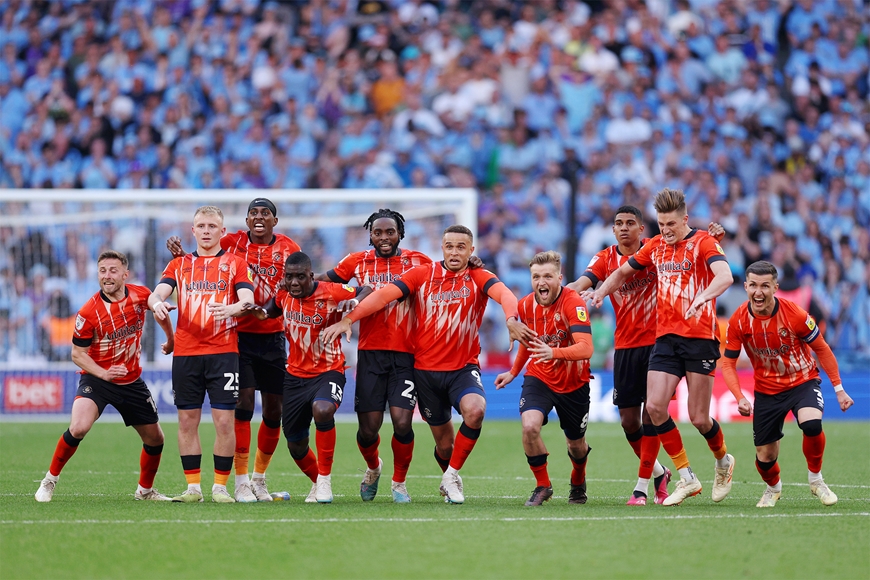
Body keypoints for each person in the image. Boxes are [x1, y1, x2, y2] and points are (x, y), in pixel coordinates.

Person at [321, 225, 536, 504]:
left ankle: (449, 477)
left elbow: (505, 294)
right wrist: (350, 319)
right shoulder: (422, 274)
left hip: (463, 368)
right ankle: (435, 471)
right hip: (424, 372)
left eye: (461, 247)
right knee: (444, 446)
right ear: (442, 248)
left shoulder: (478, 275)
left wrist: (511, 319)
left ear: (471, 251)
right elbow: (382, 296)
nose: (455, 252)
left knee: (475, 411)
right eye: (450, 246)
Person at [583, 189, 735, 506]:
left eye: (671, 224)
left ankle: (723, 460)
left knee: (699, 418)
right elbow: (622, 272)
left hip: (700, 338)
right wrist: (600, 292)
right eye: (661, 224)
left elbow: (725, 276)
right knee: (653, 408)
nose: (665, 230)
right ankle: (687, 476)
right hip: (664, 339)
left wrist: (704, 296)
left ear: (685, 220)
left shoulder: (704, 242)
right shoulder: (655, 246)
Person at [167, 197, 300, 502]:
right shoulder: (232, 242)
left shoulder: (289, 247)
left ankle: (259, 478)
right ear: (246, 220)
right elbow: (203, 261)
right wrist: (179, 256)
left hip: (274, 336)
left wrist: (283, 305)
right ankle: (240, 481)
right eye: (253, 213)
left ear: (274, 221)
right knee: (242, 406)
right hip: (238, 337)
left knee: (274, 411)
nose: (258, 217)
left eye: (265, 213)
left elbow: (299, 281)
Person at [35, 250, 175, 502]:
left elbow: (156, 304)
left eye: (112, 271)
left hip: (130, 381)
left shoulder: (139, 294)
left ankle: (144, 491)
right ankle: (49, 480)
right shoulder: (88, 312)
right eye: (102, 271)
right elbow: (77, 354)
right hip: (97, 379)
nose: (107, 276)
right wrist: (103, 373)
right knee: (78, 427)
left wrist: (170, 337)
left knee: (156, 439)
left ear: (125, 274)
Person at [315, 209, 432, 503]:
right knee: (368, 431)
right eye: (377, 232)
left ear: (400, 234)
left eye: (390, 232)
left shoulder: (419, 261)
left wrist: (473, 263)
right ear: (370, 235)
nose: (384, 238)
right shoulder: (357, 261)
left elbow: (448, 275)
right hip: (370, 355)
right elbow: (324, 281)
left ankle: (399, 483)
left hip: (406, 356)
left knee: (402, 422)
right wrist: (297, 278)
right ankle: (373, 467)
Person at [721, 261, 854, 508]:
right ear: (745, 286)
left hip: (802, 381)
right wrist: (739, 396)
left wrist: (839, 388)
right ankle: (773, 488)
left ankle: (816, 480)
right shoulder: (738, 320)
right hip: (767, 391)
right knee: (765, 457)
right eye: (753, 285)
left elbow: (822, 349)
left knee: (811, 424)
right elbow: (727, 363)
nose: (758, 292)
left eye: (765, 286)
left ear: (775, 287)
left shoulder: (795, 314)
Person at [148, 206, 256, 504]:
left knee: (224, 422)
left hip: (223, 352)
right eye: (201, 226)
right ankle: (193, 488)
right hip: (186, 353)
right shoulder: (179, 265)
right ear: (192, 231)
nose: (206, 231)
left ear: (223, 231)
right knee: (187, 421)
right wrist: (156, 304)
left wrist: (232, 308)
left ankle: (220, 487)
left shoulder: (236, 263)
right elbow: (156, 294)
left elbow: (247, 299)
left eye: (212, 226)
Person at [248, 251, 371, 503]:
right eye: (289, 277)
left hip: (329, 372)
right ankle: (316, 482)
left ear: (311, 275)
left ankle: (325, 481)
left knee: (323, 409)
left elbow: (367, 289)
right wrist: (254, 311)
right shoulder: (284, 294)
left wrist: (354, 302)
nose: (294, 282)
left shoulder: (331, 291)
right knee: (295, 444)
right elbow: (269, 310)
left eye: (300, 277)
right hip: (294, 377)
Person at [494, 251, 594, 506]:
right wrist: (513, 372)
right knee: (529, 427)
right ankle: (542, 485)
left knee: (576, 445)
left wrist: (554, 353)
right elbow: (529, 343)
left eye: (548, 276)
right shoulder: (525, 306)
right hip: (539, 377)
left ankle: (578, 479)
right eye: (536, 277)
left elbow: (586, 348)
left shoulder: (573, 303)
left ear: (560, 278)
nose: (541, 282)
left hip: (574, 383)